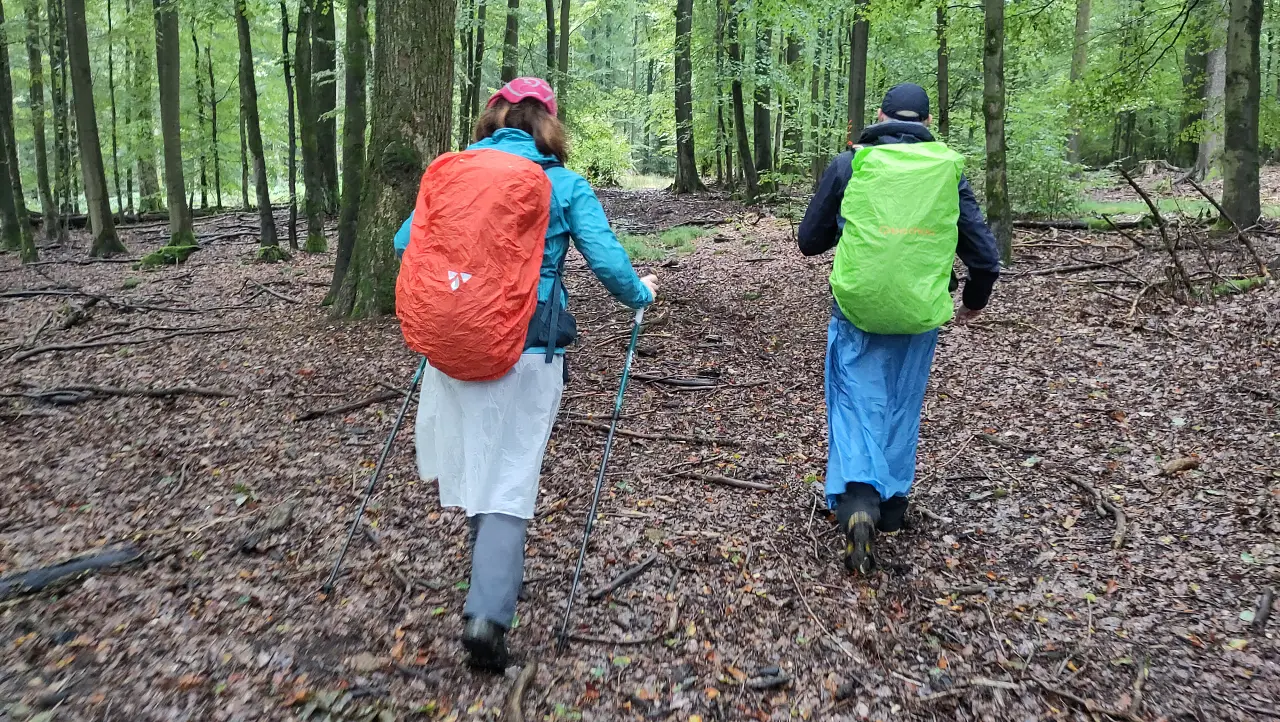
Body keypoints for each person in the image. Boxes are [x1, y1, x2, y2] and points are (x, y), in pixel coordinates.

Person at [398, 77, 658, 671]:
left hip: (452, 339)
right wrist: (640, 293)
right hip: (528, 345)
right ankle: (487, 615)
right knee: (510, 471)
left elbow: (403, 243)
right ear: (549, 124)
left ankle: (492, 568)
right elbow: (610, 265)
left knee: (479, 460)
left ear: (495, 116)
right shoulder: (563, 184)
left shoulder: (453, 176)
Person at [797, 82, 1000, 574]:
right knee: (901, 404)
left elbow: (808, 241)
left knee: (852, 401)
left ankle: (857, 501)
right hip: (918, 310)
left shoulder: (853, 163)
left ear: (882, 116)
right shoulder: (947, 171)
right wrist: (973, 301)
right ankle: (891, 509)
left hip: (857, 307)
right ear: (927, 124)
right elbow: (986, 258)